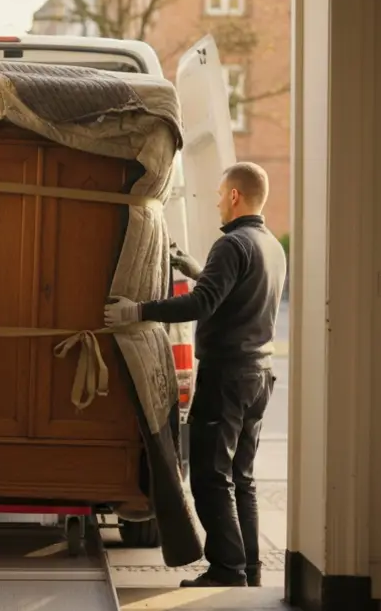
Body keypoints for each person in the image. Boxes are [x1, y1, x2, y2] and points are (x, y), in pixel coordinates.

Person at [103, 162, 286, 587]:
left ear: (236, 196)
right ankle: (249, 567)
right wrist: (194, 269)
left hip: (226, 377)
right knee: (242, 478)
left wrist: (137, 311)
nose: (218, 201)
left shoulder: (232, 244)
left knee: (210, 477)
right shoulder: (270, 246)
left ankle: (225, 569)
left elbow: (201, 305)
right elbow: (232, 294)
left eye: (222, 194)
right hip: (259, 377)